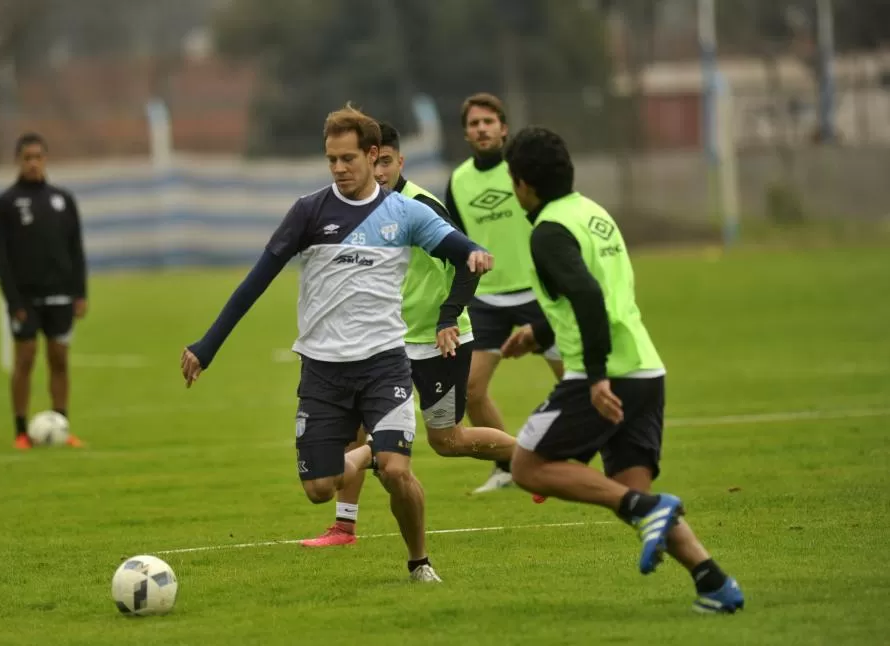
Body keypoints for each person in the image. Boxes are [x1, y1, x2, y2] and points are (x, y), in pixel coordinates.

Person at [180, 105, 494, 582]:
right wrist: (207, 345)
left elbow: (456, 244)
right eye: (332, 160)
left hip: (385, 365)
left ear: (373, 155)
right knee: (319, 488)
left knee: (394, 469)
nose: (340, 169)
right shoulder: (309, 212)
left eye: (348, 158)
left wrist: (474, 253)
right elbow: (255, 282)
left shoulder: (404, 212)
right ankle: (356, 459)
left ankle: (419, 562)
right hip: (323, 372)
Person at [499, 126, 744, 614]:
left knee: (527, 466)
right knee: (631, 494)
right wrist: (541, 333)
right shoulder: (593, 214)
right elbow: (598, 294)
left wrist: (594, 377)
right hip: (645, 368)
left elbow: (589, 296)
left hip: (609, 372)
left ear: (524, 182)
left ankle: (649, 509)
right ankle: (714, 582)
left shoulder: (549, 229)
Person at [301, 121, 516, 548]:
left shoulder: (421, 205)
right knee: (357, 430)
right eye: (371, 162)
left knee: (448, 441)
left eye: (385, 163)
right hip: (385, 344)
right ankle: (344, 527)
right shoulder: (358, 210)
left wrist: (447, 319)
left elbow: (469, 262)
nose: (377, 171)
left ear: (399, 160)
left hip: (438, 342)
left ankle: (532, 458)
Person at [444, 93, 564, 494]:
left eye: (488, 122)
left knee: (574, 380)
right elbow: (456, 240)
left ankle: (586, 457)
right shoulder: (458, 181)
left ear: (503, 128)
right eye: (474, 123)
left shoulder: (524, 170)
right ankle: (509, 465)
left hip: (537, 291)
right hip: (488, 298)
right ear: (465, 133)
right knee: (472, 390)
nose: (481, 129)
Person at [0, 132, 87, 450]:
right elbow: (2, 258)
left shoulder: (62, 200)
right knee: (26, 358)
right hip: (25, 298)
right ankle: (21, 431)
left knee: (59, 359)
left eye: (38, 157)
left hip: (61, 294)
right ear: (18, 161)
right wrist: (13, 300)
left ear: (46, 159)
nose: (33, 163)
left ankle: (61, 424)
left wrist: (80, 292)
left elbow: (76, 249)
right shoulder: (6, 203)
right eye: (27, 158)